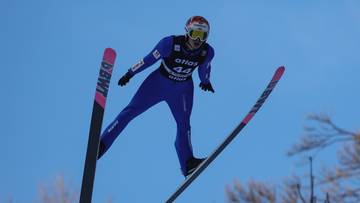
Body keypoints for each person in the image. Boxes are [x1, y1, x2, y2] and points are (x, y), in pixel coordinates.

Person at [98, 16, 215, 177]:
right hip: (158, 84)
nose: (197, 39)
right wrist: (130, 73)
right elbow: (148, 59)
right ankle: (101, 145)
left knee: (184, 125)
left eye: (202, 36)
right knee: (130, 112)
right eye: (195, 33)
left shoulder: (206, 52)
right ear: (187, 32)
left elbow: (204, 68)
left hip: (182, 90)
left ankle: (188, 164)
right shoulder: (170, 44)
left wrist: (206, 82)